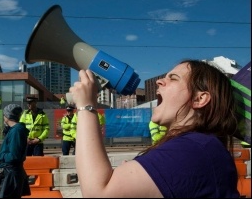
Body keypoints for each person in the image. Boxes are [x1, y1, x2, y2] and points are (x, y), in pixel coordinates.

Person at [69, 60, 240, 198]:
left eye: (173, 78)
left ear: (199, 99)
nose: (159, 81)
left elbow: (98, 194)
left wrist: (86, 106)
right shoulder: (199, 147)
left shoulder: (192, 150)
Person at [0, 104, 31, 198]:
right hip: (11, 174)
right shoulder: (15, 130)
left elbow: (13, 156)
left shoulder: (16, 131)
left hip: (11, 175)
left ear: (7, 116)